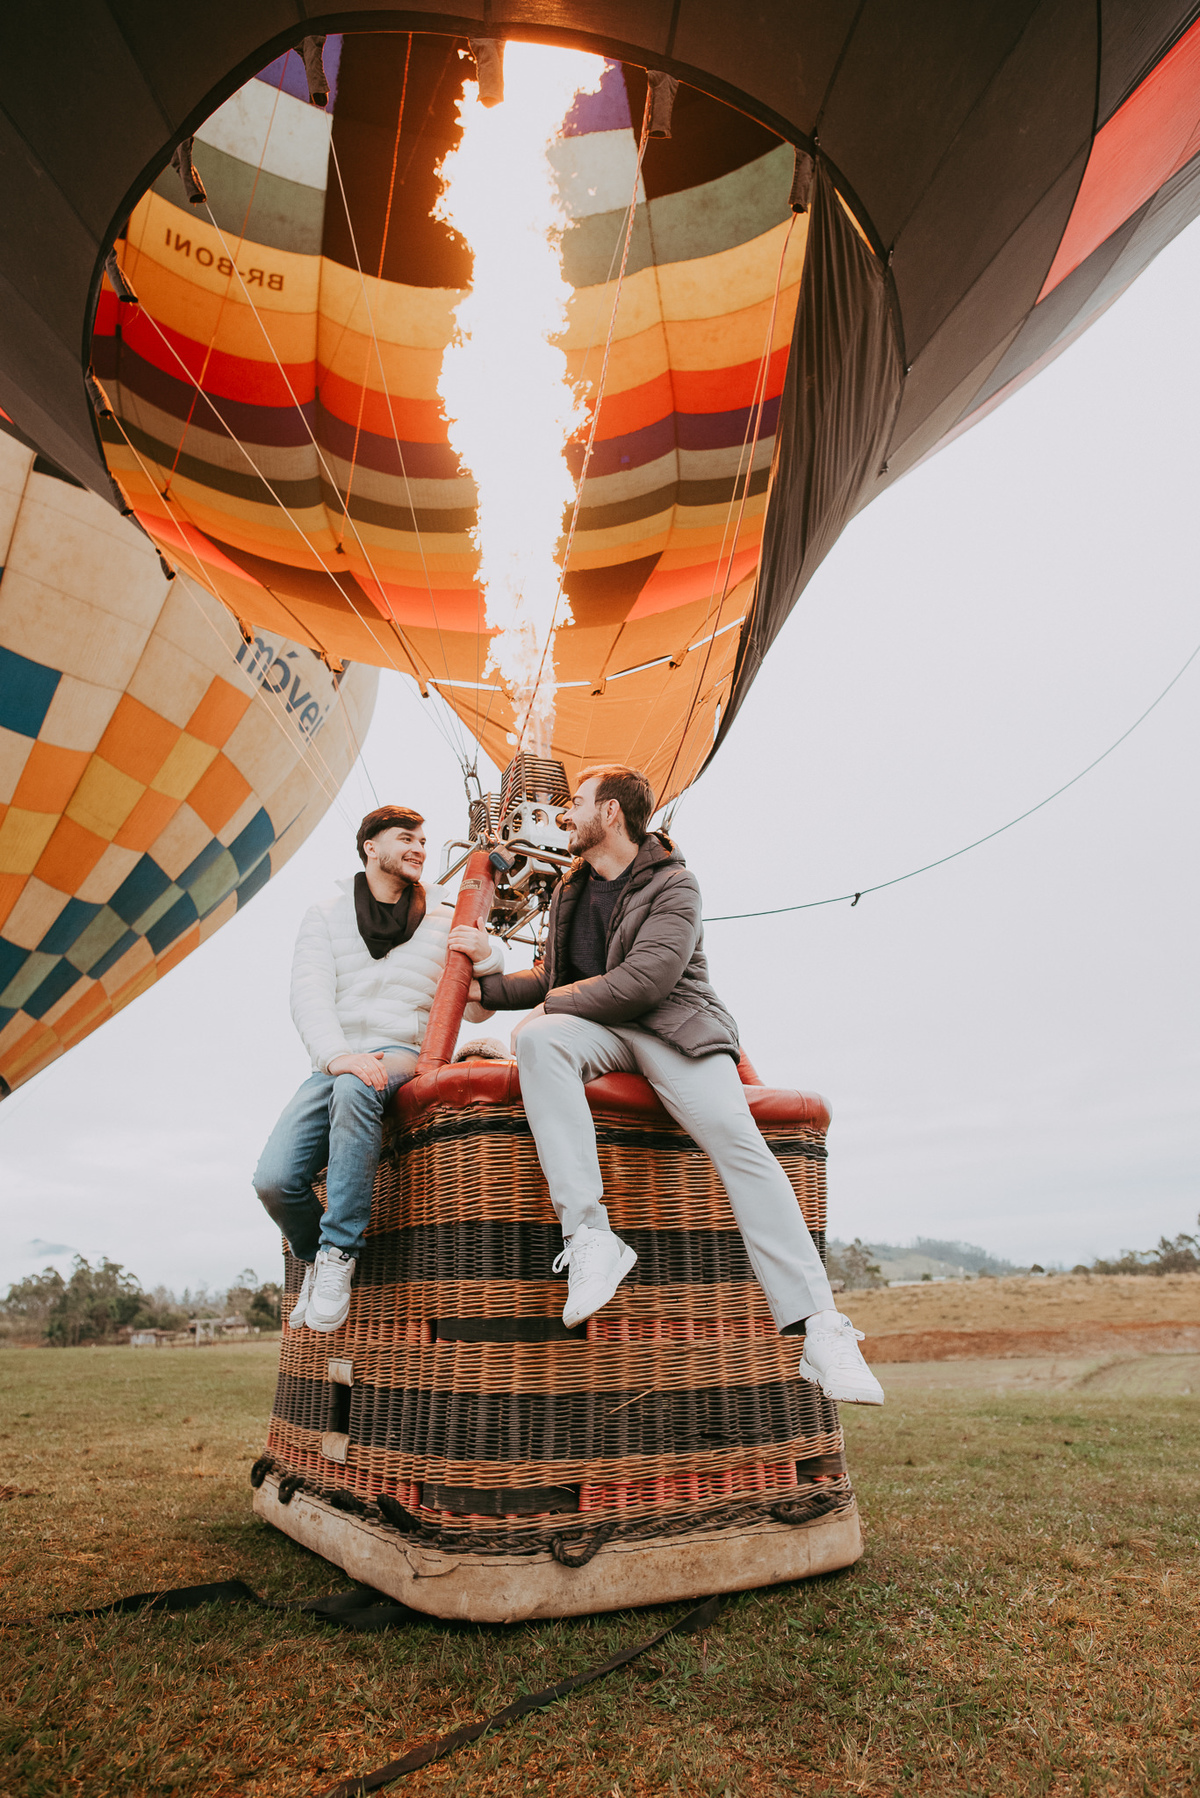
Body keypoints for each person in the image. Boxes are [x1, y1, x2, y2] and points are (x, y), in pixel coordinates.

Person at [461, 765, 883, 1405]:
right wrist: (489, 982)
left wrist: (552, 1005)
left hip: (675, 1031)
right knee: (542, 1040)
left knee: (738, 1145)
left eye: (575, 803)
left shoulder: (675, 884)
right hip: (603, 1032)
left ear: (609, 814)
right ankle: (590, 1238)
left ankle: (822, 1329)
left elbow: (647, 981)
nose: (564, 815)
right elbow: (552, 979)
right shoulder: (571, 892)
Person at [253, 804, 502, 1332]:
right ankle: (316, 1257)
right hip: (336, 1057)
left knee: (355, 1090)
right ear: (370, 846)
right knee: (274, 1180)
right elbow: (309, 994)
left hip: (403, 1052)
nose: (418, 847)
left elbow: (475, 1006)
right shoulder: (326, 912)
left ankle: (342, 1252)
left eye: (422, 839)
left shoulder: (442, 913)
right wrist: (338, 1055)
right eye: (404, 837)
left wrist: (487, 954)